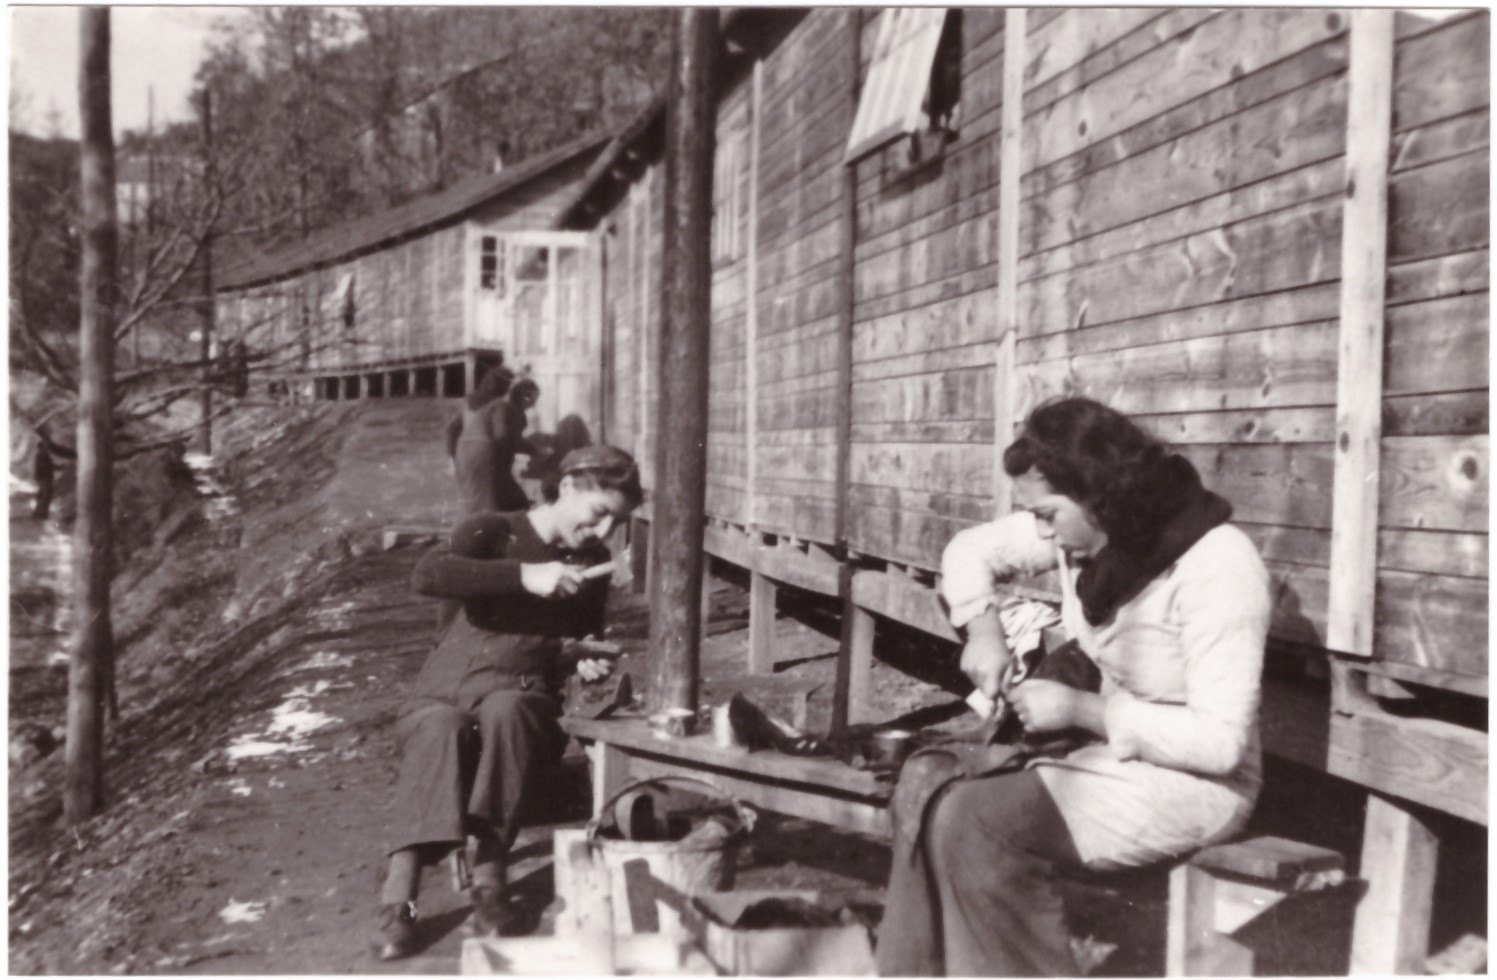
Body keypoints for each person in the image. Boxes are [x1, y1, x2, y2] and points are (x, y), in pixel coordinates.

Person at [876, 397, 1270, 977]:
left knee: (978, 822)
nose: (1041, 533)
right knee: (930, 780)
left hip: (1198, 784)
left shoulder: (1217, 565)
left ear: (1100, 494)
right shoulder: (1092, 532)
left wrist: (1082, 710)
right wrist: (983, 631)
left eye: (1048, 515)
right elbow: (970, 550)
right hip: (1112, 752)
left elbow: (1220, 744)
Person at [372, 444, 643, 961]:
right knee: (439, 728)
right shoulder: (494, 530)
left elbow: (579, 639)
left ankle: (490, 883)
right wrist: (522, 575)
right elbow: (428, 574)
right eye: (600, 513)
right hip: (445, 688)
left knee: (508, 712)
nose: (606, 531)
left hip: (522, 695)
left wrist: (581, 657)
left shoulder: (592, 562)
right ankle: (400, 901)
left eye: (618, 522)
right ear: (567, 489)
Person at [445, 366, 531, 517]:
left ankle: (469, 530)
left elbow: (451, 430)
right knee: (504, 502)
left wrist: (452, 459)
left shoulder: (468, 404)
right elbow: (501, 436)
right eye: (507, 386)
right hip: (486, 456)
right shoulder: (499, 405)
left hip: (463, 457)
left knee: (472, 500)